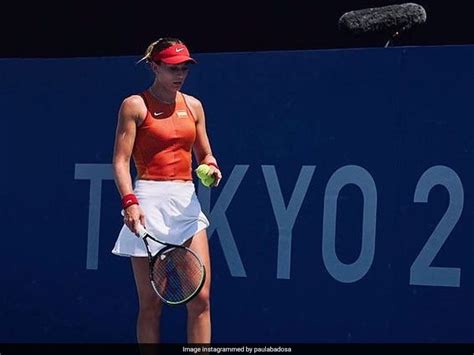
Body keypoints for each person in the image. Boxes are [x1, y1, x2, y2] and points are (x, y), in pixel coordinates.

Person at [111, 37, 222, 344]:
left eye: (184, 68)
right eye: (173, 68)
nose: (180, 75)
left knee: (200, 299)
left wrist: (211, 167)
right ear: (154, 66)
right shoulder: (134, 106)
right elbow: (120, 161)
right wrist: (130, 203)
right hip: (148, 203)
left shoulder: (195, 106)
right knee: (151, 304)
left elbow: (205, 154)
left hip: (186, 203)